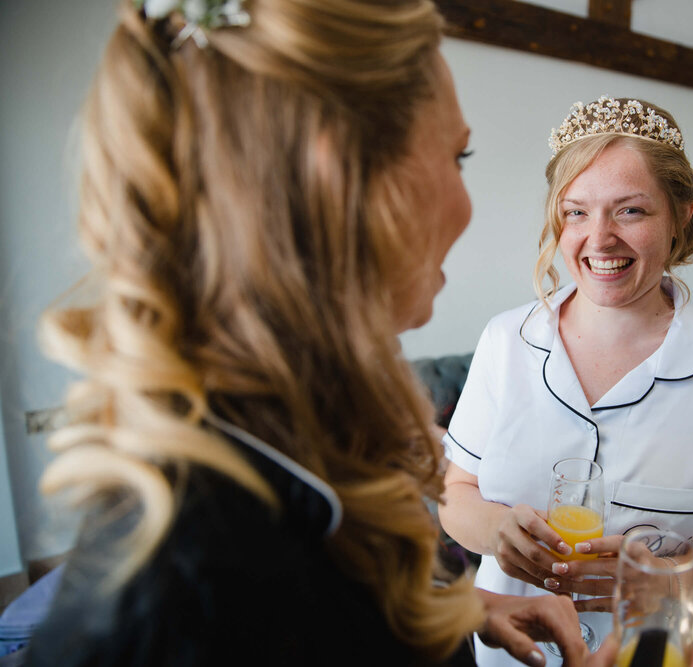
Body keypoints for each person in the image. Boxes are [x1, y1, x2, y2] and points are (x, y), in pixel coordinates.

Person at [25, 1, 620, 665]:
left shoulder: (289, 440)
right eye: (459, 155)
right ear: (341, 180)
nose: (468, 203)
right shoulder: (191, 594)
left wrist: (454, 609)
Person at [438, 96, 693, 666]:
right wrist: (498, 529)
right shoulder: (505, 342)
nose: (598, 239)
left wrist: (670, 581)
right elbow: (456, 495)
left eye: (630, 211)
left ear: (683, 214)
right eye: (576, 212)